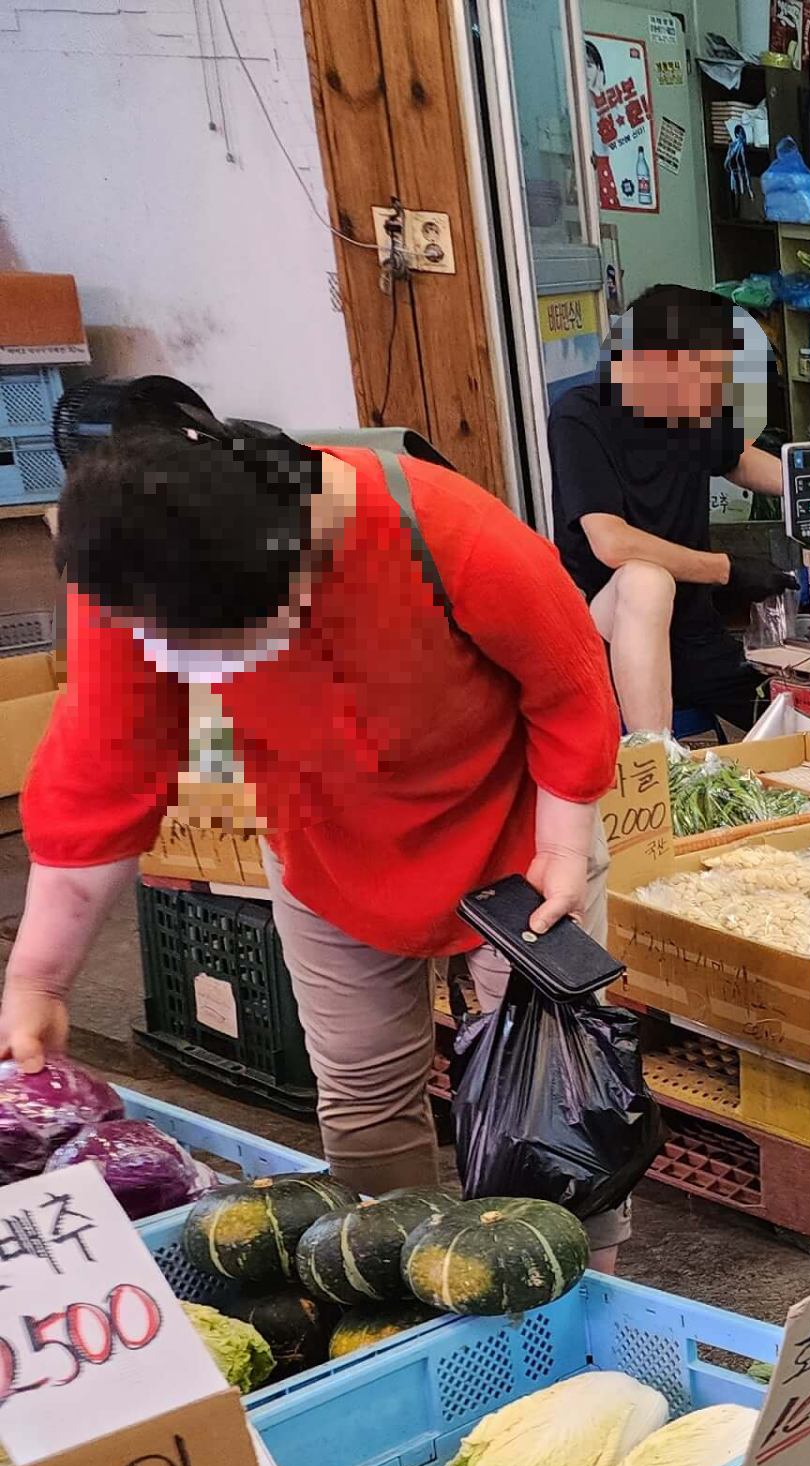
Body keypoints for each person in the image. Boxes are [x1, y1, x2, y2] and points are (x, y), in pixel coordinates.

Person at [0, 383, 632, 1255]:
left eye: (222, 645)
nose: (197, 668)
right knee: (365, 1096)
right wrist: (40, 981)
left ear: (296, 560)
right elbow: (101, 780)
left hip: (517, 837)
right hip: (330, 848)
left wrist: (563, 846)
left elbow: (569, 689)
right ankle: (402, 1293)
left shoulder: (451, 533)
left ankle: (575, 1301)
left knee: (554, 1097)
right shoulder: (139, 578)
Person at [552, 283, 789, 739]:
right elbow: (612, 543)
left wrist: (804, 486)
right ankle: (659, 766)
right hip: (607, 630)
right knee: (647, 580)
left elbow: (736, 458)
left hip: (696, 636)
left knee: (789, 723)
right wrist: (727, 570)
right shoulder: (579, 416)